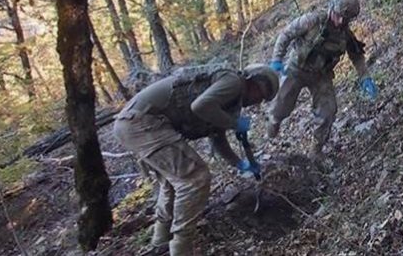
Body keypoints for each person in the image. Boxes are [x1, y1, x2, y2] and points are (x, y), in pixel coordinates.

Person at [113, 63, 279, 256]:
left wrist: (241, 164)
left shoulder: (229, 98)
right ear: (253, 82)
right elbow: (200, 106)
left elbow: (218, 138)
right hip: (142, 123)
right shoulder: (233, 82)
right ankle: (181, 248)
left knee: (172, 181)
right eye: (261, 94)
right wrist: (234, 124)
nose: (258, 101)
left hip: (133, 124)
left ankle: (161, 239)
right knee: (194, 178)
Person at [266, 0, 378, 159]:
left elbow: (356, 55)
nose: (341, 22)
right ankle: (273, 123)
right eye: (339, 16)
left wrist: (365, 77)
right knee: (281, 104)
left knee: (328, 112)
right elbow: (286, 35)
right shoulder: (312, 21)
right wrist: (277, 60)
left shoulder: (345, 34)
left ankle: (316, 150)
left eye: (346, 19)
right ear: (331, 8)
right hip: (297, 68)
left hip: (321, 75)